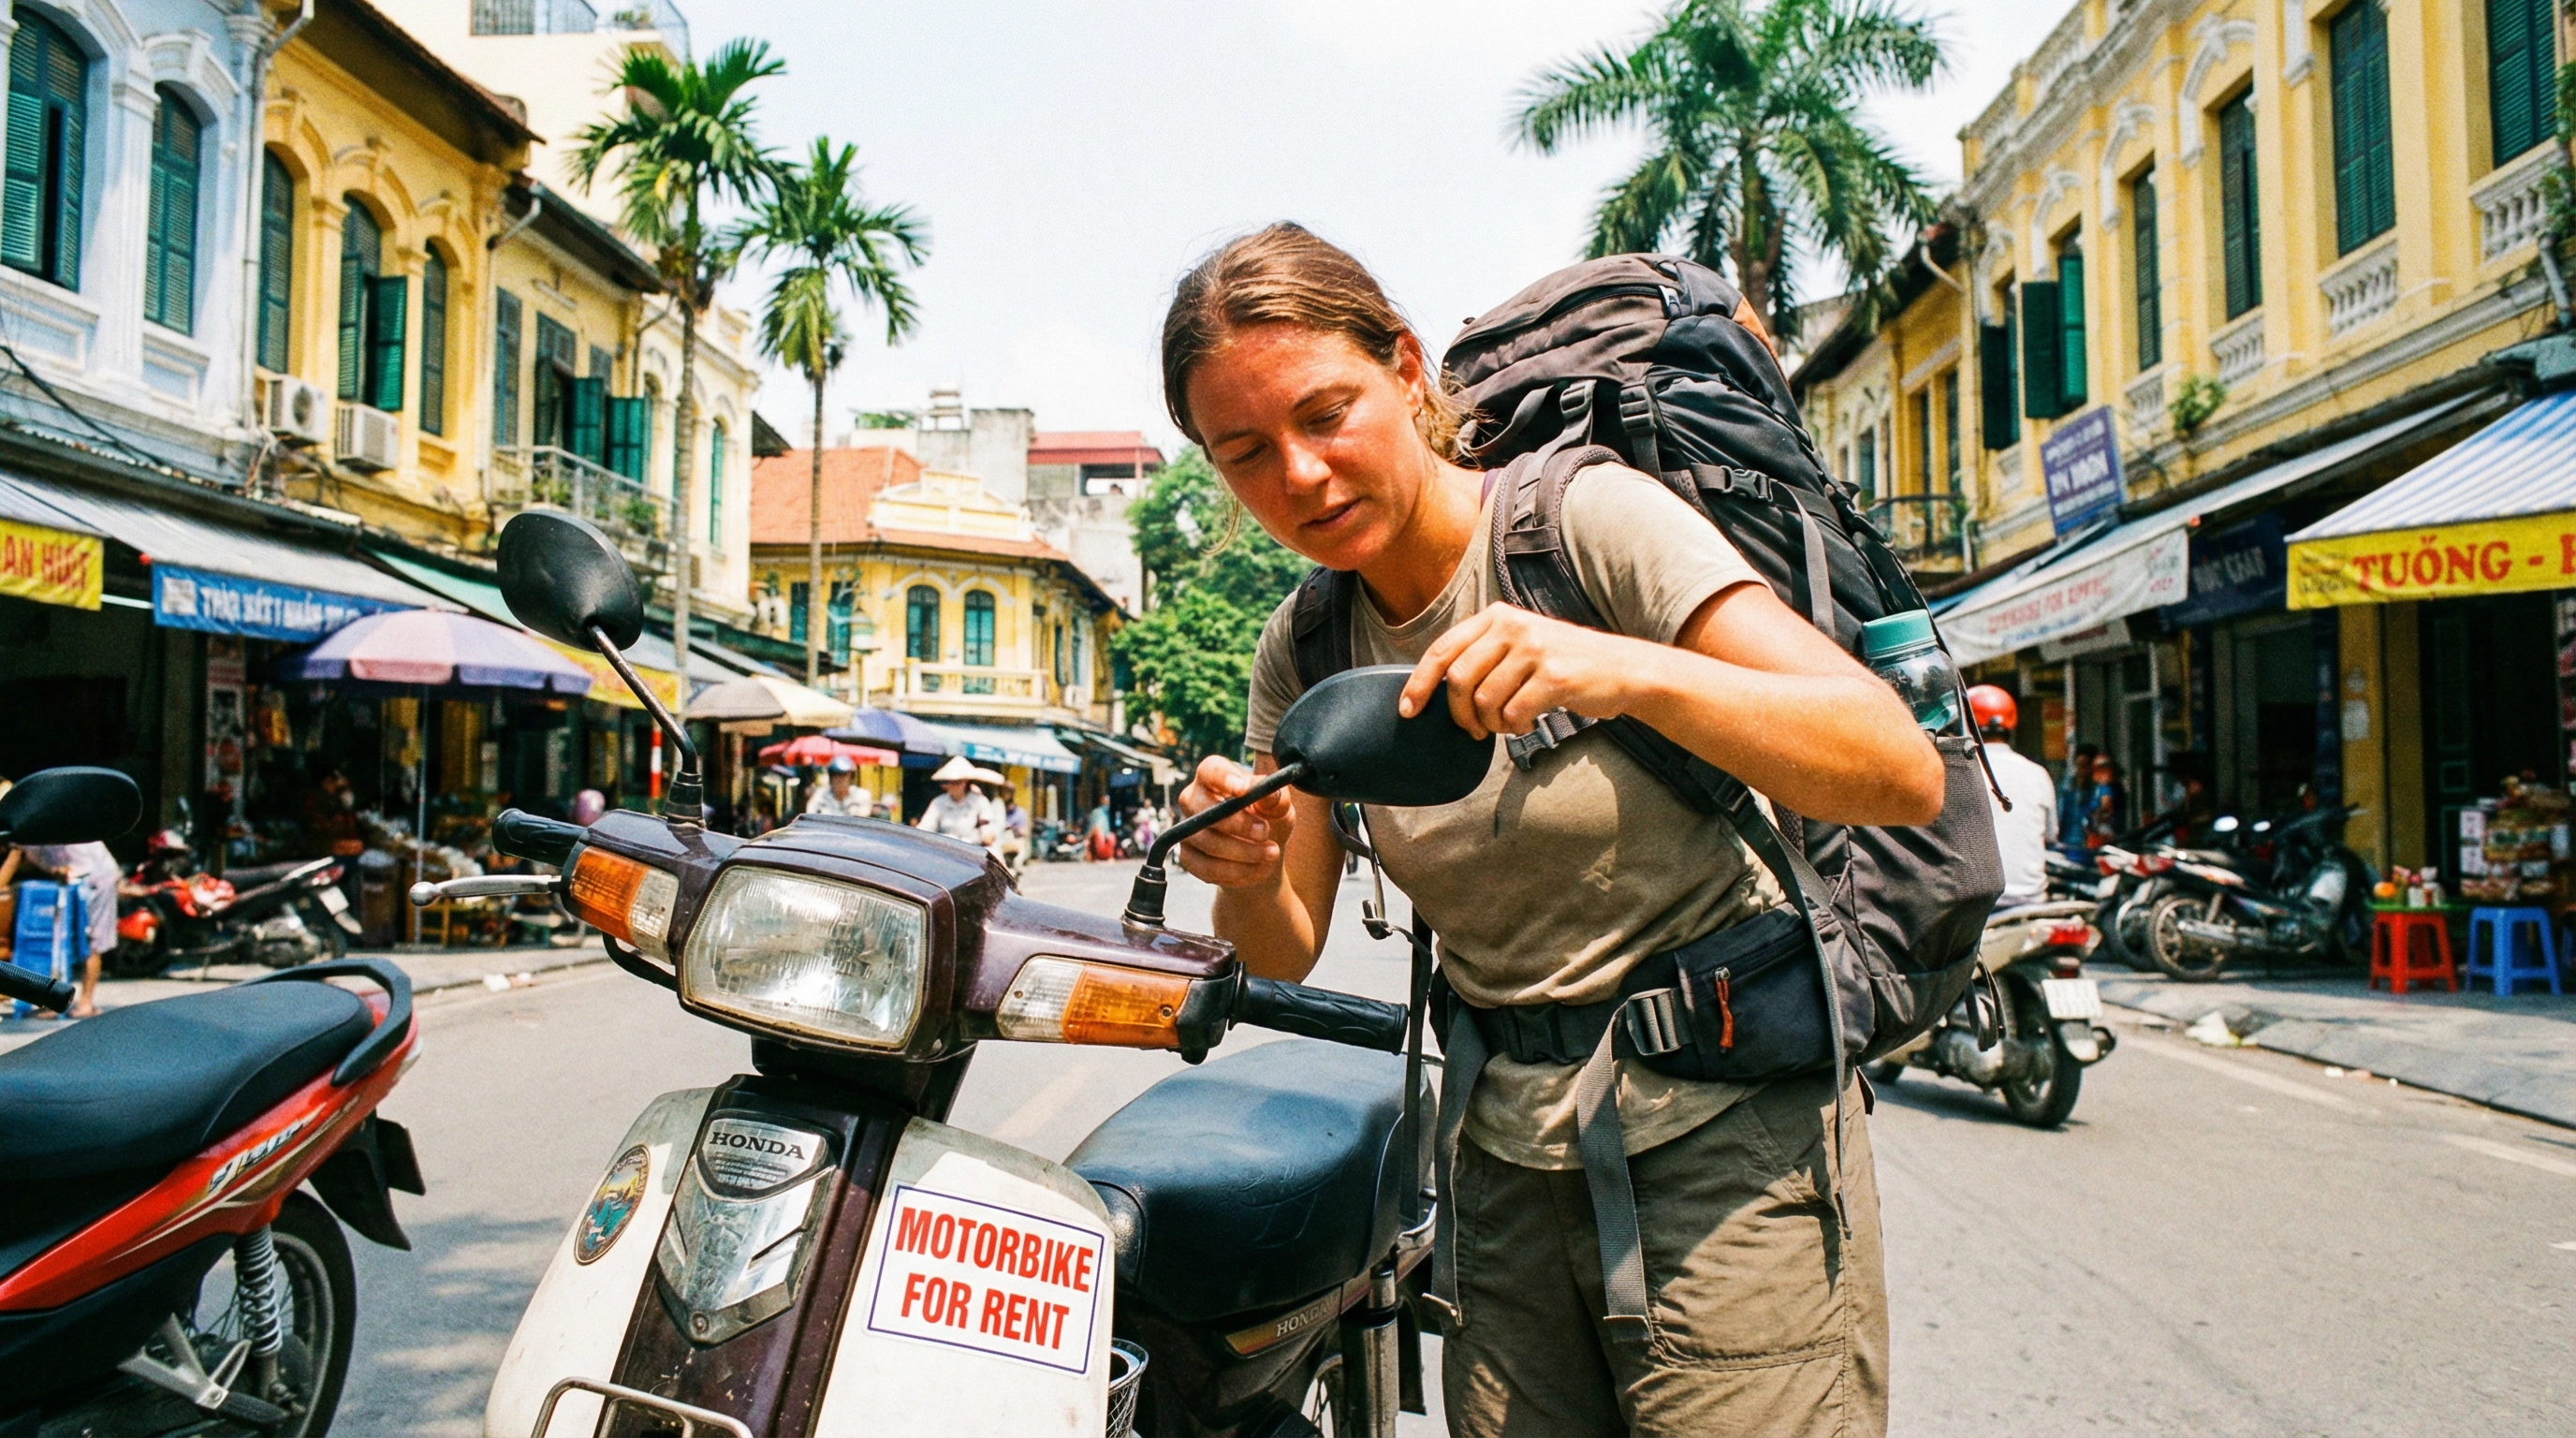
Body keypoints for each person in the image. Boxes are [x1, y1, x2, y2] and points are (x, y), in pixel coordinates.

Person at [1162, 225, 1941, 1437]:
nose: (1300, 477)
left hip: (1728, 1140)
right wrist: (1248, 876)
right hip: (1500, 1159)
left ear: (1408, 371)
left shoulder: (1585, 527)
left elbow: (1895, 767)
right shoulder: (1305, 645)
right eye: (1245, 452)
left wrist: (1622, 667)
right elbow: (1282, 951)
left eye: (1326, 415)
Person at [2, 837, 118, 1020]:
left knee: (91, 940)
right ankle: (56, 1002)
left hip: (96, 877)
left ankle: (85, 1003)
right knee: (60, 942)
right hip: (76, 877)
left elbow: (13, 862)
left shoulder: (23, 830)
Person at [1967, 686, 2057, 905]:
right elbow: (2051, 835)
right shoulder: (2038, 773)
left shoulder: (1961, 773)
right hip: (2033, 899)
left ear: (1967, 724)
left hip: (1981, 905)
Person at [916, 756, 998, 846]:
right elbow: (925, 828)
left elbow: (988, 832)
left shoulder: (979, 801)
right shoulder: (938, 802)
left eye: (957, 782)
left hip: (973, 850)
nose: (953, 786)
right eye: (950, 782)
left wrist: (986, 834)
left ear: (965, 782)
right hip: (944, 848)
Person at [2057, 742, 2100, 854]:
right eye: (2078, 765)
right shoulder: (2067, 786)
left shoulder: (2096, 789)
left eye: (2084, 766)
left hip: (2088, 843)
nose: (2081, 771)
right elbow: (2060, 812)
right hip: (2066, 841)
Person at [805, 756, 875, 818]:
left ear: (851, 777)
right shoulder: (821, 795)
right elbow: (811, 814)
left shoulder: (861, 795)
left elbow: (864, 815)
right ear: (830, 777)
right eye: (835, 775)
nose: (840, 780)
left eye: (844, 775)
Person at [2081, 756, 2127, 850]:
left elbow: (2106, 807)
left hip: (2102, 831)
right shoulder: (2096, 789)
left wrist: (2094, 817)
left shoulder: (2106, 789)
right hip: (2095, 831)